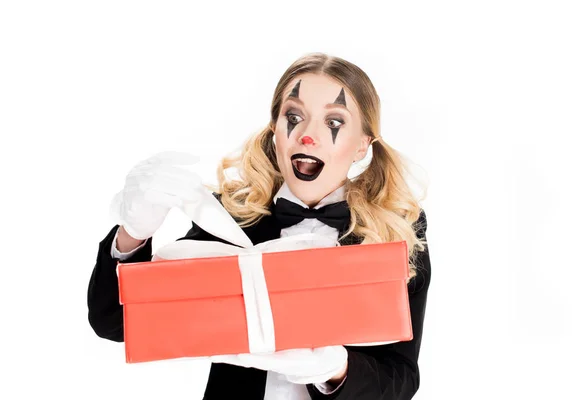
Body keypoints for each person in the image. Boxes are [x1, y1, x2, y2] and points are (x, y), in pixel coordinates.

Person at [87, 52, 431, 400]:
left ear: (362, 145)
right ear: (275, 131)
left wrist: (335, 369)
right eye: (293, 116)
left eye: (334, 122)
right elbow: (117, 323)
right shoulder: (231, 218)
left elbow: (400, 377)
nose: (308, 136)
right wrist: (133, 233)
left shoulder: (395, 230)